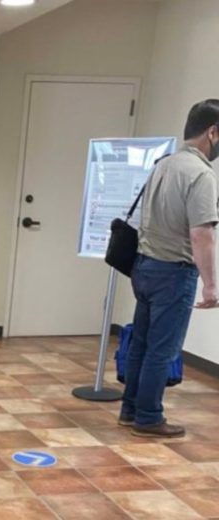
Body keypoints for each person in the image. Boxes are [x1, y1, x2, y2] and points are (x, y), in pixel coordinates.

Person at [120, 99, 219, 438]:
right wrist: (210, 285)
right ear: (212, 132)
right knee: (161, 350)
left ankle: (130, 410)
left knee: (141, 344)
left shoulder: (163, 164)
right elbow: (201, 233)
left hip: (145, 266)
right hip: (174, 272)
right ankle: (148, 417)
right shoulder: (201, 174)